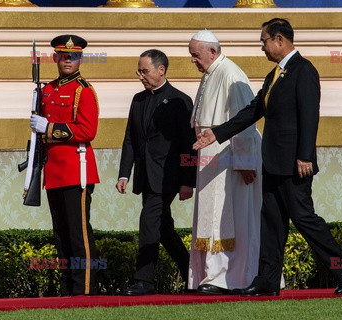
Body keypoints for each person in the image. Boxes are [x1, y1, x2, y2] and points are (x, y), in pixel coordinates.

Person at [193, 18, 342, 296]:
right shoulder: (274, 75)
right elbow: (253, 110)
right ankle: (267, 281)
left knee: (304, 218)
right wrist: (217, 133)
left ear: (279, 40)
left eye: (264, 41)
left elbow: (309, 116)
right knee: (272, 223)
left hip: (295, 164)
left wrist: (305, 155)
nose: (262, 48)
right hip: (272, 162)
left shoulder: (303, 71)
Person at [116, 49, 197, 295]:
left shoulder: (180, 100)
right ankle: (191, 273)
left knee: (148, 221)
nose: (141, 76)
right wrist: (124, 174)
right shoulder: (138, 100)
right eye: (138, 71)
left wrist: (187, 181)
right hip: (145, 175)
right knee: (164, 230)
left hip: (168, 177)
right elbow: (130, 138)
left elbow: (188, 145)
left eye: (145, 71)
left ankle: (145, 281)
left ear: (161, 70)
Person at [187, 30, 262, 295]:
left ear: (212, 51)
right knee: (210, 217)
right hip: (211, 156)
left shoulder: (231, 73)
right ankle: (208, 275)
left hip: (231, 157)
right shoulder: (211, 73)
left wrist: (244, 162)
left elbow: (245, 121)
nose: (193, 61)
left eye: (196, 55)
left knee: (228, 217)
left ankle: (230, 277)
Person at [29, 34, 100, 296]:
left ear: (80, 58)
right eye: (63, 56)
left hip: (76, 169)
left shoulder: (84, 90)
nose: (68, 60)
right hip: (53, 172)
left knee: (78, 235)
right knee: (60, 234)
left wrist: (49, 128)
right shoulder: (47, 90)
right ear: (56, 58)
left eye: (73, 56)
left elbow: (88, 130)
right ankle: (68, 288)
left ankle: (85, 290)